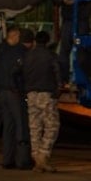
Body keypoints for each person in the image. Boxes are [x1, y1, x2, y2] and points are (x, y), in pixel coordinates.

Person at [0, 26, 32, 169]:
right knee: (18, 125)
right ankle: (20, 160)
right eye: (18, 37)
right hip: (11, 93)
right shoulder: (16, 52)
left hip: (0, 93)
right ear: (14, 36)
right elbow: (17, 73)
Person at [22, 30, 63, 173]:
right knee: (52, 126)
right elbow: (58, 74)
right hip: (46, 94)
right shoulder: (51, 56)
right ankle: (43, 155)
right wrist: (58, 89)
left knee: (34, 127)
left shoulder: (27, 56)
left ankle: (36, 158)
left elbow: (19, 72)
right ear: (47, 41)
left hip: (31, 94)